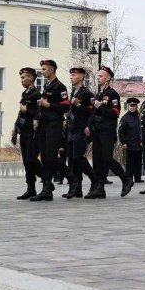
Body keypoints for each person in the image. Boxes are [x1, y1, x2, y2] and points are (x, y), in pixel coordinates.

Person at [85, 66, 134, 199]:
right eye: (98, 75)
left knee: (107, 158)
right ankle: (99, 188)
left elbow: (115, 113)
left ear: (108, 77)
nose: (98, 78)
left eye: (101, 76)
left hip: (107, 131)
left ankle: (126, 179)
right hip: (97, 131)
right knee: (97, 160)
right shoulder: (98, 94)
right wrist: (88, 126)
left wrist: (101, 106)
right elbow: (92, 113)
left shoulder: (113, 94)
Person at [30, 60, 71, 202]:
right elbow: (41, 106)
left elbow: (65, 107)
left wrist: (49, 105)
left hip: (54, 124)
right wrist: (37, 118)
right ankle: (47, 188)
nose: (42, 71)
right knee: (44, 157)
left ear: (52, 70)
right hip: (44, 124)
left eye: (44, 69)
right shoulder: (47, 85)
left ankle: (71, 178)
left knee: (52, 156)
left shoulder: (60, 87)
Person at [60, 67, 94, 199]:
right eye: (71, 75)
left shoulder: (87, 94)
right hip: (71, 129)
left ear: (81, 76)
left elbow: (91, 113)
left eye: (74, 75)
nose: (71, 77)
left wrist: (78, 105)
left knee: (78, 157)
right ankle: (76, 188)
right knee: (72, 160)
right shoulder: (74, 91)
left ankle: (94, 178)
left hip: (81, 129)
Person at [11, 67, 41, 200]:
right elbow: (20, 113)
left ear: (31, 78)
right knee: (26, 162)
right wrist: (15, 129)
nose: (21, 80)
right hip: (23, 131)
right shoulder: (25, 94)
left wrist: (27, 109)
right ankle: (31, 188)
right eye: (21, 77)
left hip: (32, 132)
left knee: (31, 160)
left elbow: (38, 113)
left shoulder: (36, 94)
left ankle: (47, 180)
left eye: (24, 77)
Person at [118, 98, 143, 183]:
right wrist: (123, 142)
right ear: (128, 107)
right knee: (129, 163)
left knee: (138, 162)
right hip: (129, 144)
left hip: (138, 144)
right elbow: (120, 131)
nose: (132, 107)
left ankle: (138, 178)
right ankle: (129, 179)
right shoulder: (125, 118)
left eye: (134, 106)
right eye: (131, 106)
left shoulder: (139, 117)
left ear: (137, 106)